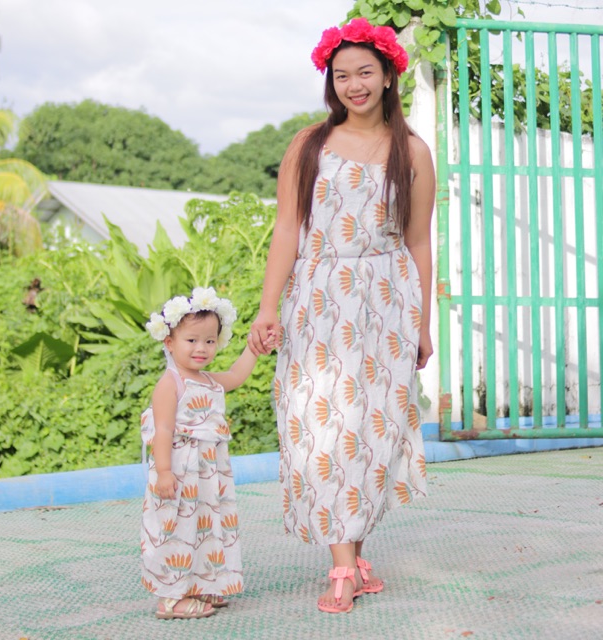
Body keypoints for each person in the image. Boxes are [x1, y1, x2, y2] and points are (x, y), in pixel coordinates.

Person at [249, 17, 435, 614]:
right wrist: (267, 305)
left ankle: (347, 561)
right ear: (332, 81)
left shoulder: (411, 151)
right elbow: (287, 228)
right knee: (318, 425)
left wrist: (423, 324)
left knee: (369, 429)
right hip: (319, 297)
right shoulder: (309, 145)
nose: (354, 84)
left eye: (365, 72)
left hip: (385, 303)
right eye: (342, 74)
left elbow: (419, 243)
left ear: (387, 76)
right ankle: (343, 564)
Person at [140, 286, 274, 619]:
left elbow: (237, 375)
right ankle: (171, 597)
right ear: (169, 343)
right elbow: (163, 431)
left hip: (208, 475)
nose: (201, 348)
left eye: (210, 341)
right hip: (179, 473)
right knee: (177, 531)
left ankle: (200, 584)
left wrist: (254, 349)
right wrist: (165, 471)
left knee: (206, 527)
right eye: (192, 340)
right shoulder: (170, 384)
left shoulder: (209, 381)